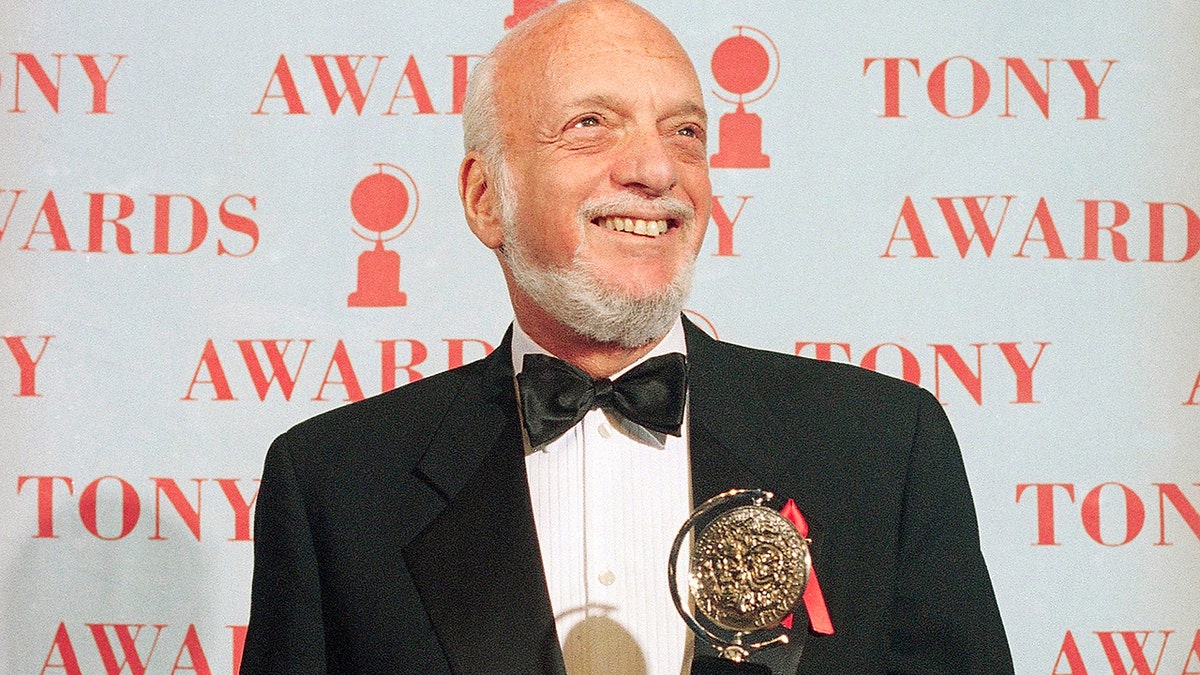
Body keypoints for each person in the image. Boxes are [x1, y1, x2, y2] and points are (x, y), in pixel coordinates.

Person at [240, 1, 1014, 673]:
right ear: (485, 198)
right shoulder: (335, 486)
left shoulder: (882, 448)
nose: (655, 168)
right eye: (590, 124)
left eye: (685, 132)